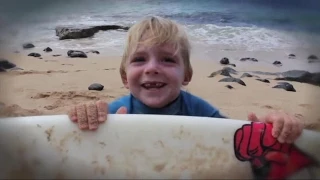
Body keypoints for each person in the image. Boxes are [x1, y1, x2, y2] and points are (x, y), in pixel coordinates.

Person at [68, 16, 304, 144]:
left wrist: (272, 128)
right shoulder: (113, 114)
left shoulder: (201, 113)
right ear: (124, 77)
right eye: (139, 59)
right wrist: (86, 118)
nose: (152, 68)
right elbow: (77, 143)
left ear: (187, 75)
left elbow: (237, 144)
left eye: (167, 60)